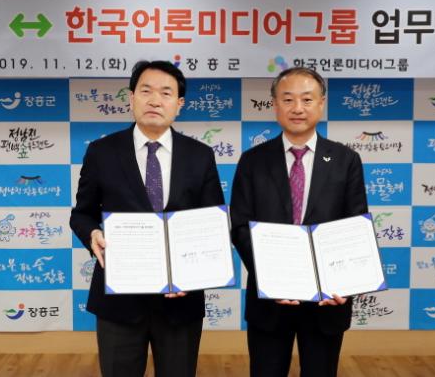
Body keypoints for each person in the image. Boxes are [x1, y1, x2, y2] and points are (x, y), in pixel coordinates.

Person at [70, 60, 224, 377]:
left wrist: (193, 275)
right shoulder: (101, 151)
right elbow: (82, 213)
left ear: (179, 104)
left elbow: (212, 224)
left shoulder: (200, 155)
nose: (155, 100)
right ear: (131, 98)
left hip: (180, 301)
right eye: (146, 91)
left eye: (166, 93)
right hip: (119, 301)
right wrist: (92, 234)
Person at [230, 67, 368, 377]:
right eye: (288, 99)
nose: (297, 108)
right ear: (274, 105)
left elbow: (355, 226)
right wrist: (271, 278)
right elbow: (240, 226)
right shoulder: (253, 161)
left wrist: (344, 281)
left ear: (321, 104)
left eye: (307, 99)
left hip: (326, 300)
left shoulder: (345, 160)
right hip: (270, 299)